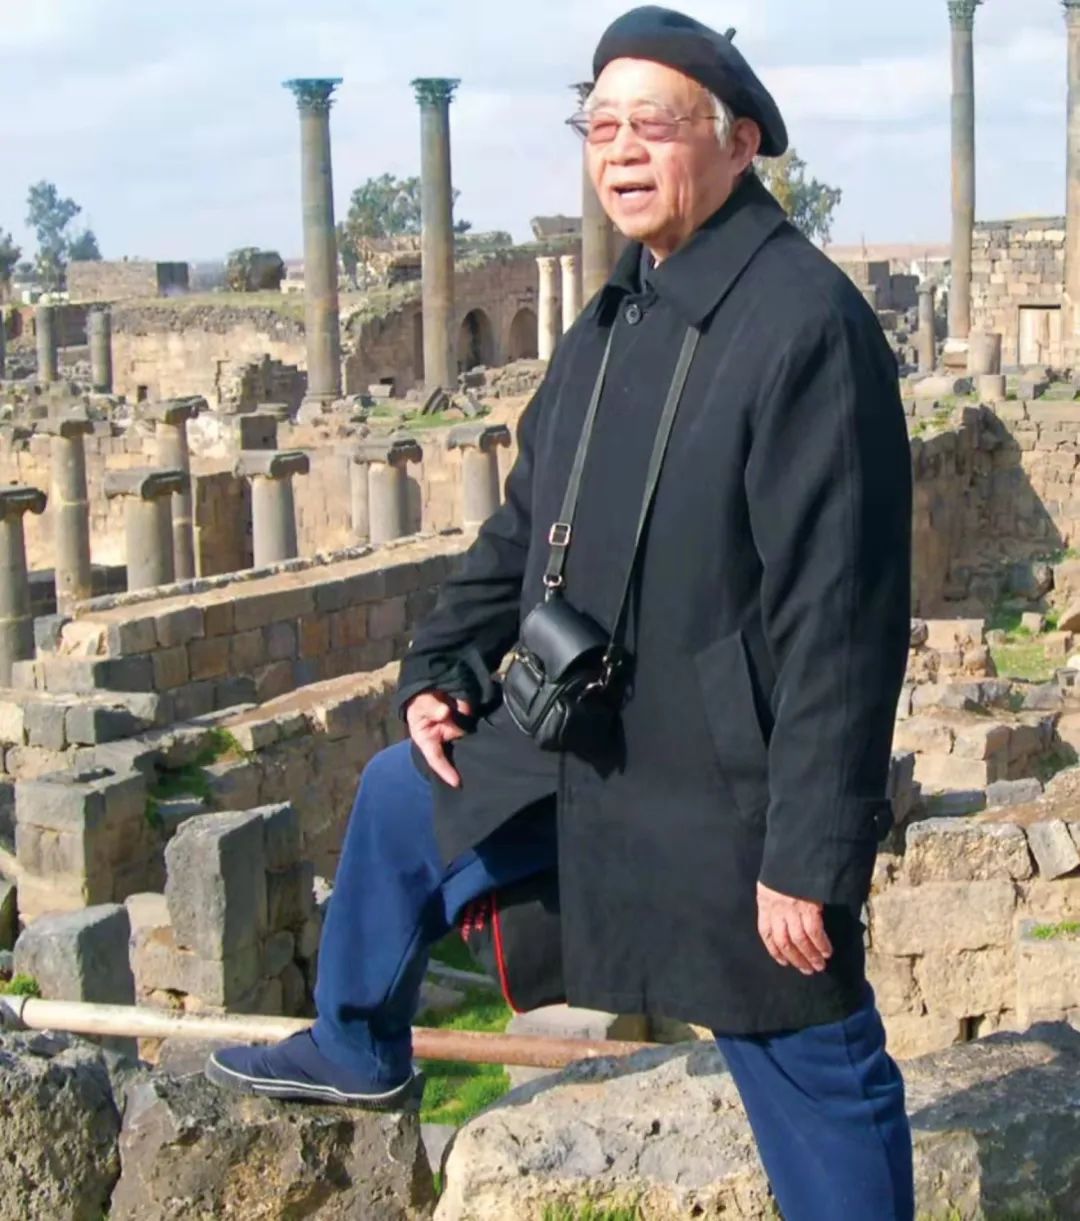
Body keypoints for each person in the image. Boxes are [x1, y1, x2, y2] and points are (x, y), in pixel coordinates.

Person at [207, 7, 915, 1217]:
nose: (621, 149)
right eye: (601, 125)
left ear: (740, 140)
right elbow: (526, 523)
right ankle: (359, 1045)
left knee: (813, 1053)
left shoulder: (806, 325)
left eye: (655, 124)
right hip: (588, 735)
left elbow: (840, 622)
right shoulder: (614, 317)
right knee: (401, 798)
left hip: (728, 785)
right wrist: (442, 663)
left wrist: (809, 854)